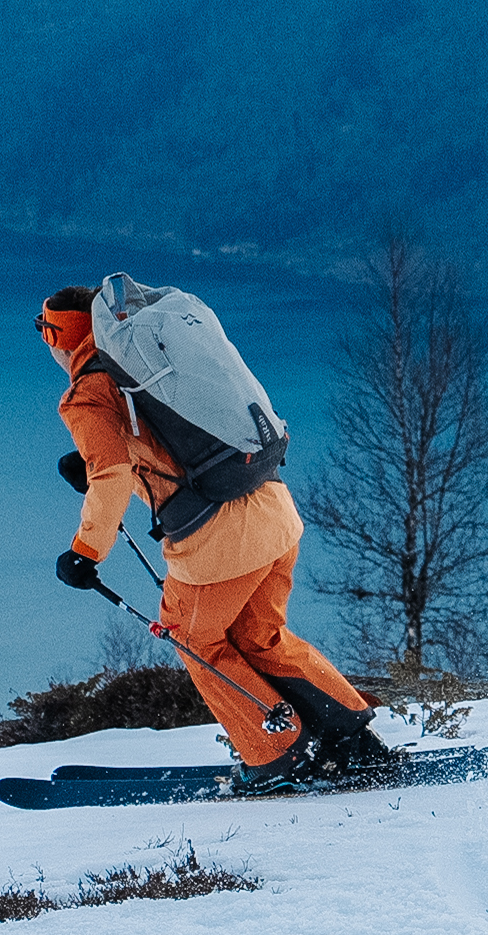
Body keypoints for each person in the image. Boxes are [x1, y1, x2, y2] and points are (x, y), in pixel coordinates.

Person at [39, 285, 392, 792]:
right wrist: (103, 462)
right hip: (274, 512)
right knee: (259, 637)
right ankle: (353, 740)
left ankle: (279, 753)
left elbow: (111, 474)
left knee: (190, 634)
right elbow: (159, 446)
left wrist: (85, 552)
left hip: (220, 544)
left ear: (61, 337)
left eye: (45, 331)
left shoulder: (88, 392)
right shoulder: (145, 359)